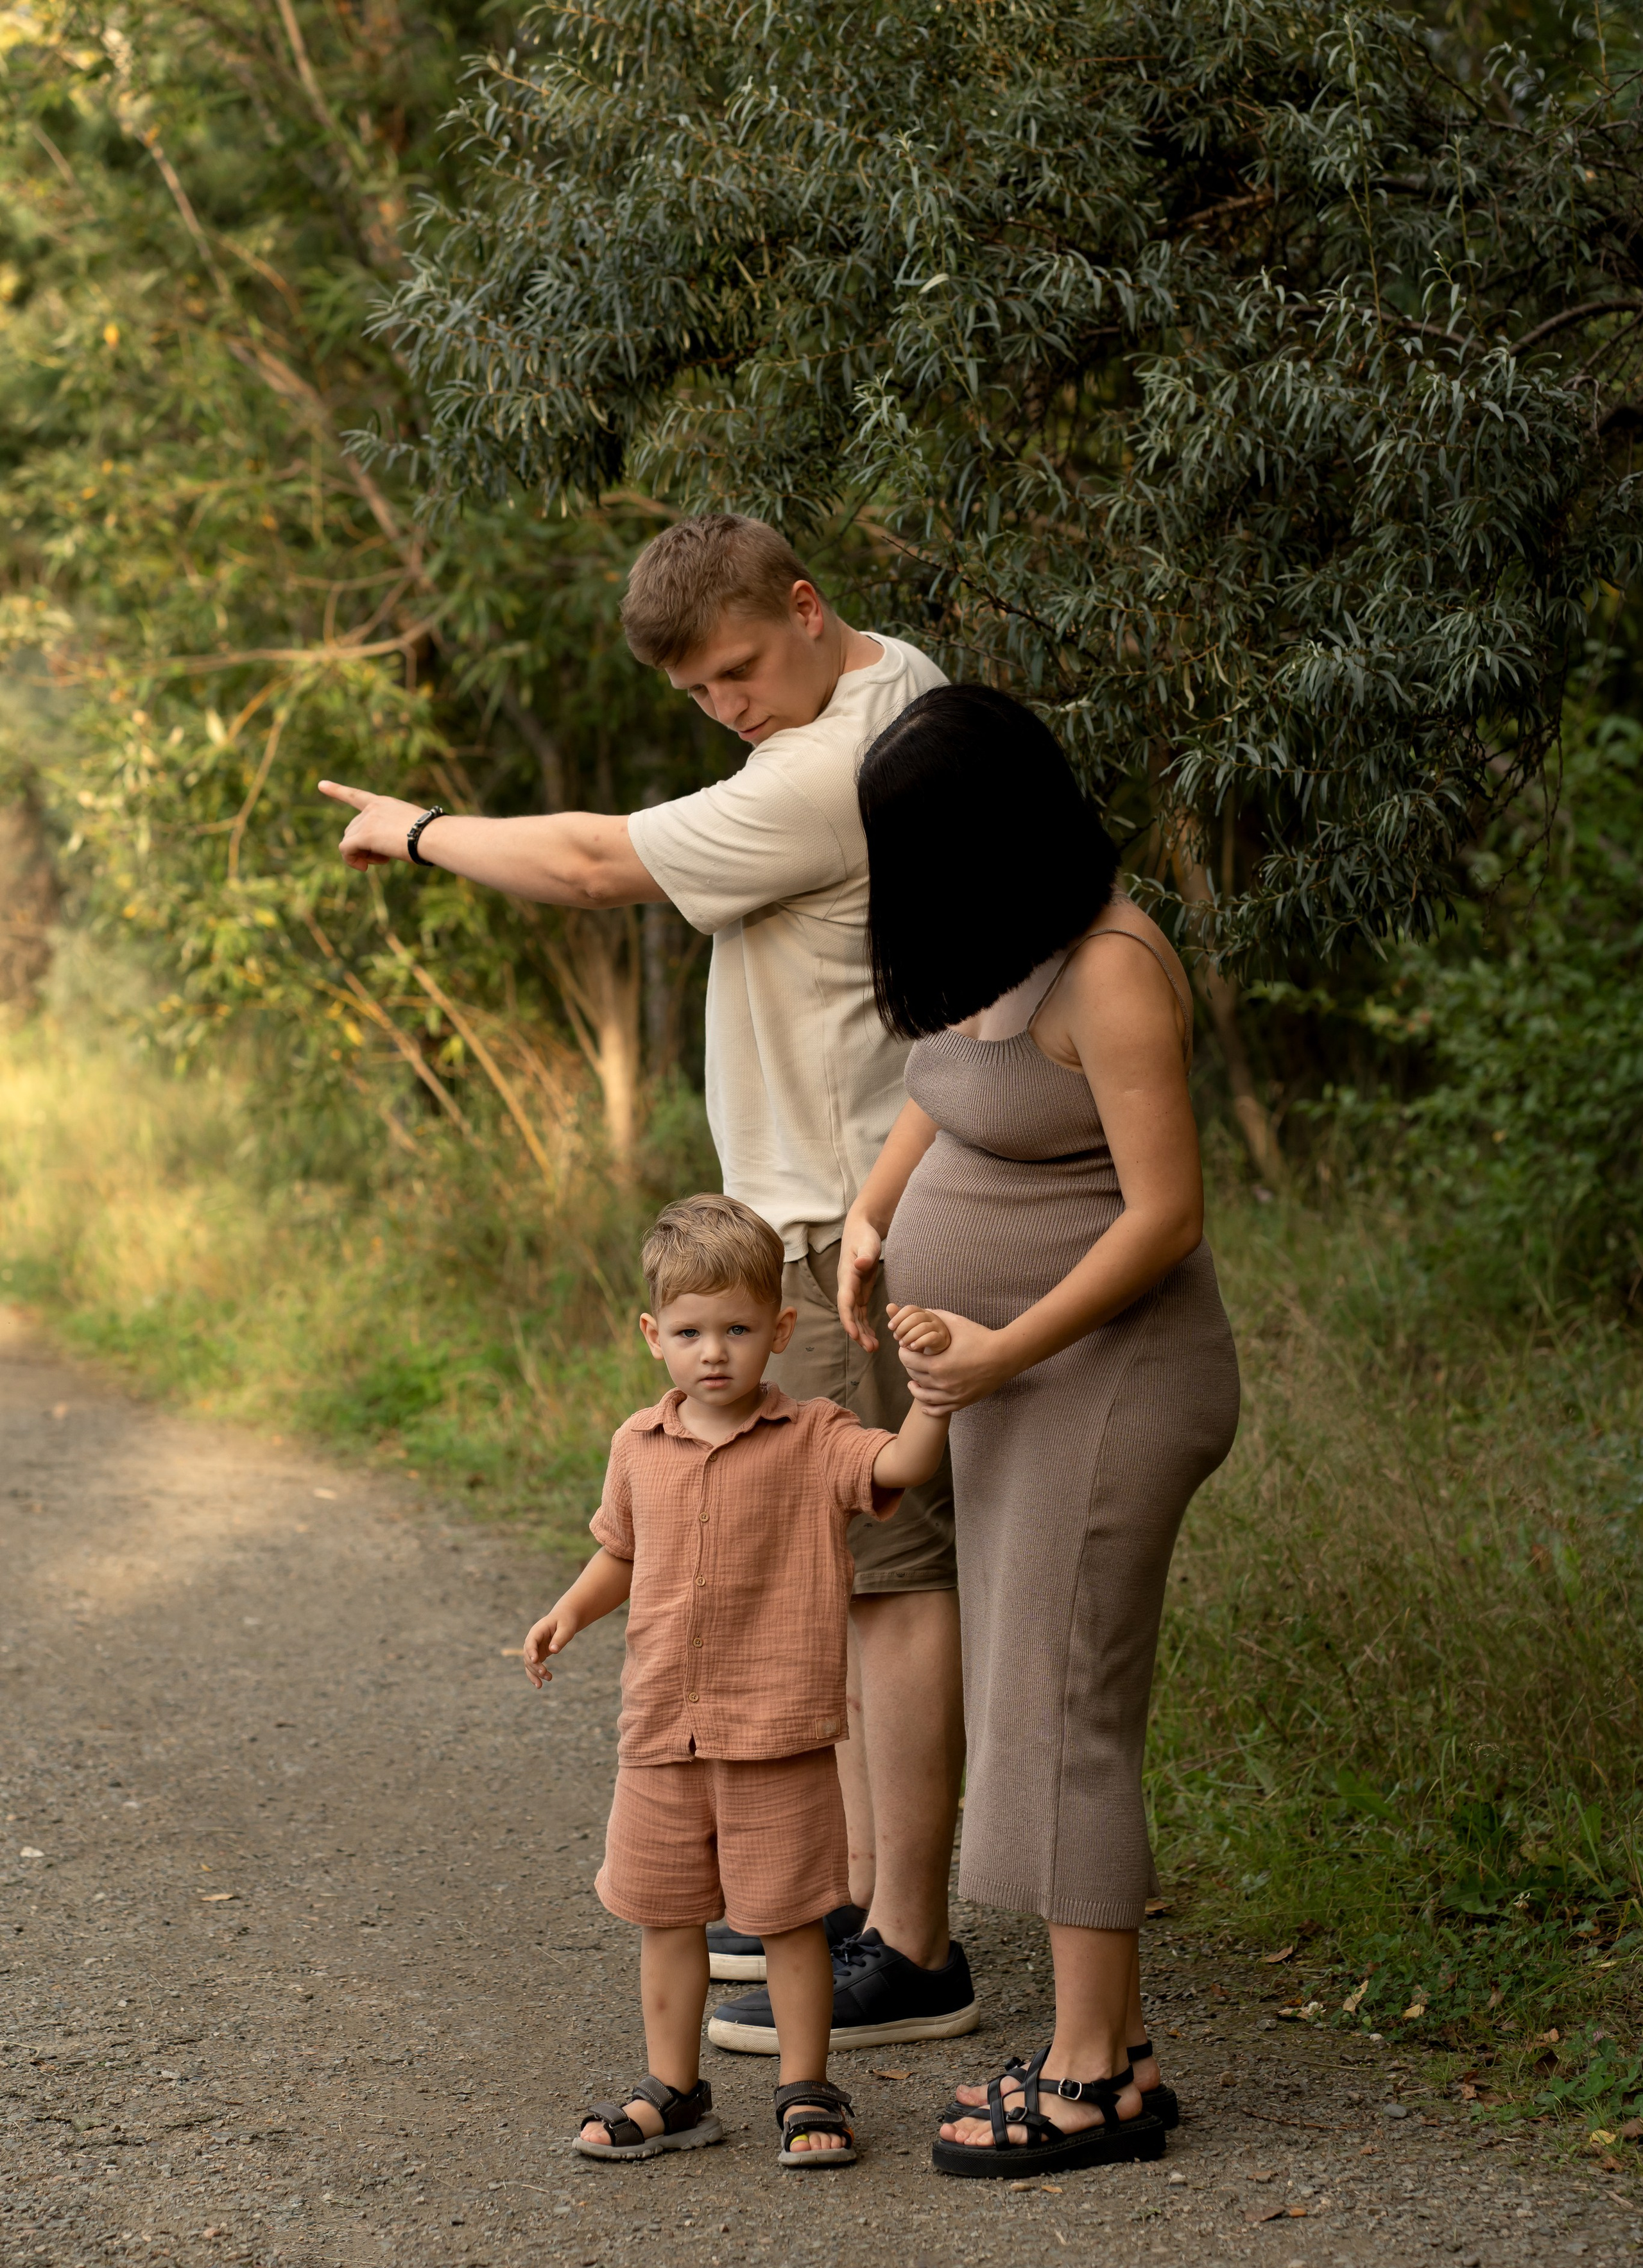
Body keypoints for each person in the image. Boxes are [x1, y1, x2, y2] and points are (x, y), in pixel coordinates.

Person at [324, 514, 976, 2052]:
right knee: (862, 1582)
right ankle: (846, 1901)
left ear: (807, 612)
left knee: (886, 1584)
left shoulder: (829, 774)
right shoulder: (898, 688)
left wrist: (417, 830)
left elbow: (592, 861)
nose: (730, 708)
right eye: (700, 696)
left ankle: (913, 1948)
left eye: (741, 671)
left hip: (835, 1220)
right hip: (826, 1200)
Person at [837, 683, 1241, 2179]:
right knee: (1031, 1687)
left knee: (1066, 1707)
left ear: (995, 834)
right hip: (1008, 1386)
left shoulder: (1112, 968)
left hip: (1110, 1379)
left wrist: (1003, 1346)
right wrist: (874, 1215)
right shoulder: (1000, 947)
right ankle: (1110, 2049)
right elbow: (941, 1089)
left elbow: (1164, 1215)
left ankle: (1090, 2082)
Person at [522, 1193, 950, 2165]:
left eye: (738, 1329)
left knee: (790, 1920)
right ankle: (672, 2091)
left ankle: (807, 2091)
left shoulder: (817, 1438)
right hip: (663, 1731)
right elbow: (620, 1556)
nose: (713, 1352)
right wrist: (571, 1612)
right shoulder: (638, 1447)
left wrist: (932, 1389)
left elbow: (906, 1464)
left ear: (781, 1330)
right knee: (665, 1914)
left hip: (778, 1734)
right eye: (689, 1332)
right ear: (653, 1337)